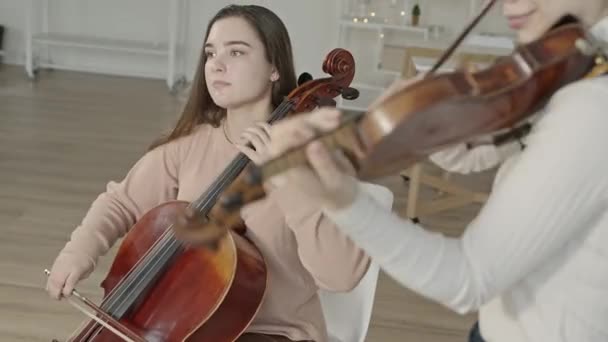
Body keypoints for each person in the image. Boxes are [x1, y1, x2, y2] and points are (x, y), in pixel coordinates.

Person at [251, 1, 608, 341]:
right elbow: (486, 152)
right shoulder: (584, 59)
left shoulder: (592, 106)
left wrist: (343, 199)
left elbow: (468, 277)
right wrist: (422, 121)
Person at [45, 5, 374, 342]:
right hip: (184, 325)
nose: (217, 64)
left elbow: (342, 275)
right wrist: (77, 254)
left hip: (274, 333)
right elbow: (120, 203)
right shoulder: (191, 145)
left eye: (236, 52)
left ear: (274, 67)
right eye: (210, 53)